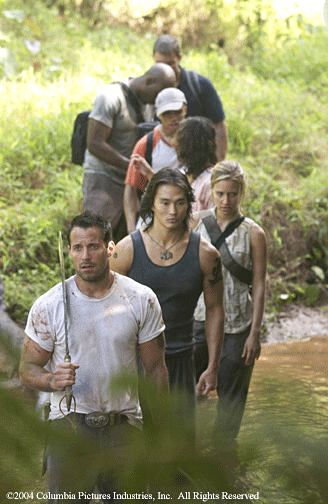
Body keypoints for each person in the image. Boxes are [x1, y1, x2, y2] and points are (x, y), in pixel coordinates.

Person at [19, 212, 168, 502]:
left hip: (124, 427)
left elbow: (156, 369)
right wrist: (51, 380)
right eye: (77, 248)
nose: (85, 256)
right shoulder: (48, 306)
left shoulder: (141, 298)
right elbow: (26, 368)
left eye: (93, 246)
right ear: (70, 252)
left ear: (110, 248)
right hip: (69, 427)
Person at [111, 168, 224, 421]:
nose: (172, 211)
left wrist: (212, 367)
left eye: (180, 203)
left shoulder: (206, 254)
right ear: (151, 203)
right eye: (165, 203)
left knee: (180, 449)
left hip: (182, 360)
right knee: (136, 448)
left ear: (189, 205)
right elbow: (104, 309)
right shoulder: (126, 251)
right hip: (134, 361)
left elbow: (215, 309)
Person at [193, 161, 267, 440]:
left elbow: (259, 284)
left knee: (232, 403)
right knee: (189, 396)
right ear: (211, 191)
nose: (226, 200)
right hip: (198, 319)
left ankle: (225, 458)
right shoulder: (196, 222)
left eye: (233, 194)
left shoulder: (254, 234)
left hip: (238, 326)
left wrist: (255, 333)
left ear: (241, 193)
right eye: (220, 193)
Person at [82, 63, 176, 242]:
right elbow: (94, 143)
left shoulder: (147, 103)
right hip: (104, 177)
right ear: (149, 81)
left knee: (124, 239)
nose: (159, 100)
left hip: (131, 182)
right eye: (158, 94)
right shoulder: (110, 97)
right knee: (95, 236)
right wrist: (131, 166)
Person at [152, 34, 228, 161]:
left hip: (199, 161)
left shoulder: (200, 86)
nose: (165, 69)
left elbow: (219, 125)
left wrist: (219, 162)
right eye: (160, 64)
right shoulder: (150, 88)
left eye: (170, 64)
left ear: (179, 58)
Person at [124, 87, 187, 233]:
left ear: (185, 109)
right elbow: (131, 189)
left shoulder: (195, 140)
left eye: (177, 111)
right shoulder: (146, 144)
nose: (173, 118)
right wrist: (131, 229)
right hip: (154, 216)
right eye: (167, 113)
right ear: (158, 115)